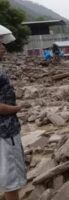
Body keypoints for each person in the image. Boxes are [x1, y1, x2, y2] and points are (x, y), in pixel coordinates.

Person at [0, 36, 27, 200]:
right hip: (5, 131)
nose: (3, 46)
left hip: (7, 128)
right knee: (11, 177)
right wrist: (17, 108)